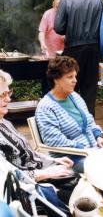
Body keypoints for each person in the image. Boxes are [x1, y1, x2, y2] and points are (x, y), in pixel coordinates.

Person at [35, 56, 103, 213]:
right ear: (56, 79)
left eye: (75, 76)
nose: (75, 80)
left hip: (90, 150)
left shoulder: (74, 96)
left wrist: (98, 137)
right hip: (70, 157)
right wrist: (86, 149)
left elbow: (89, 120)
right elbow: (54, 140)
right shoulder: (45, 107)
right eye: (69, 77)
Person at [0, 69, 75, 216]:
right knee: (81, 190)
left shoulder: (5, 122)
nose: (8, 99)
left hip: (41, 171)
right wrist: (44, 174)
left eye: (8, 93)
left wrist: (53, 159)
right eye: (2, 95)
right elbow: (8, 177)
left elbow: (29, 153)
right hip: (29, 188)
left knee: (83, 182)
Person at [54, 0, 103, 117]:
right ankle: (89, 124)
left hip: (73, 50)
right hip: (94, 49)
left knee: (70, 86)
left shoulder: (66, 0)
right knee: (90, 89)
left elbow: (58, 27)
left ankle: (71, 122)